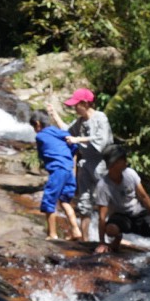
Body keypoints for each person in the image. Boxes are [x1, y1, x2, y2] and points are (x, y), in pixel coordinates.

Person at [49, 87, 114, 241]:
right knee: (84, 202)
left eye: (76, 105)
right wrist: (54, 115)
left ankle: (108, 239)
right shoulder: (79, 122)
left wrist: (78, 140)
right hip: (84, 166)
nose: (74, 108)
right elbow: (67, 131)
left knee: (104, 202)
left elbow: (102, 139)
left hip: (101, 164)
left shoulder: (100, 117)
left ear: (85, 103)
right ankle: (85, 240)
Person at [93, 143, 150, 253]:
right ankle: (117, 238)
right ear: (113, 164)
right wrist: (101, 242)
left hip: (140, 215)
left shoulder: (130, 174)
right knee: (111, 229)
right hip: (121, 218)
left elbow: (144, 198)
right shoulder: (103, 186)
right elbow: (102, 217)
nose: (126, 161)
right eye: (123, 159)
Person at [31, 113, 83, 241]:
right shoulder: (59, 132)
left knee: (49, 201)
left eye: (33, 126)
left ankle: (52, 234)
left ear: (38, 124)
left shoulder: (40, 136)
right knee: (65, 201)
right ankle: (76, 230)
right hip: (68, 169)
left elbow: (42, 155)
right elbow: (74, 144)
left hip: (58, 170)